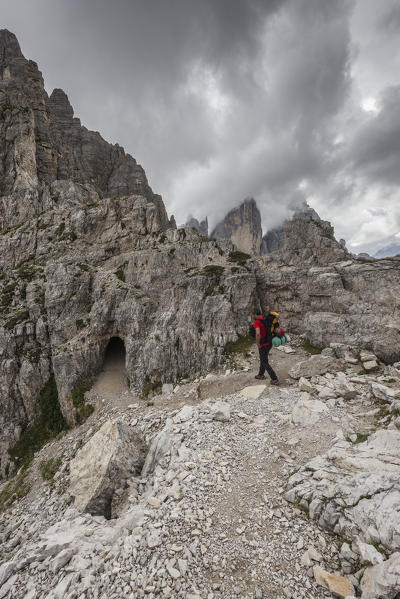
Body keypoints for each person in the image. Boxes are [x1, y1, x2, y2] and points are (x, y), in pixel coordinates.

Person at [250, 309, 279, 384]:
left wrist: (258, 343)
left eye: (252, 314)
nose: (251, 316)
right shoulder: (265, 319)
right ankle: (261, 374)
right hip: (270, 342)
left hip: (263, 344)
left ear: (254, 314)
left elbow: (258, 334)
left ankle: (274, 379)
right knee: (263, 358)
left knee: (264, 361)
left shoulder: (257, 322)